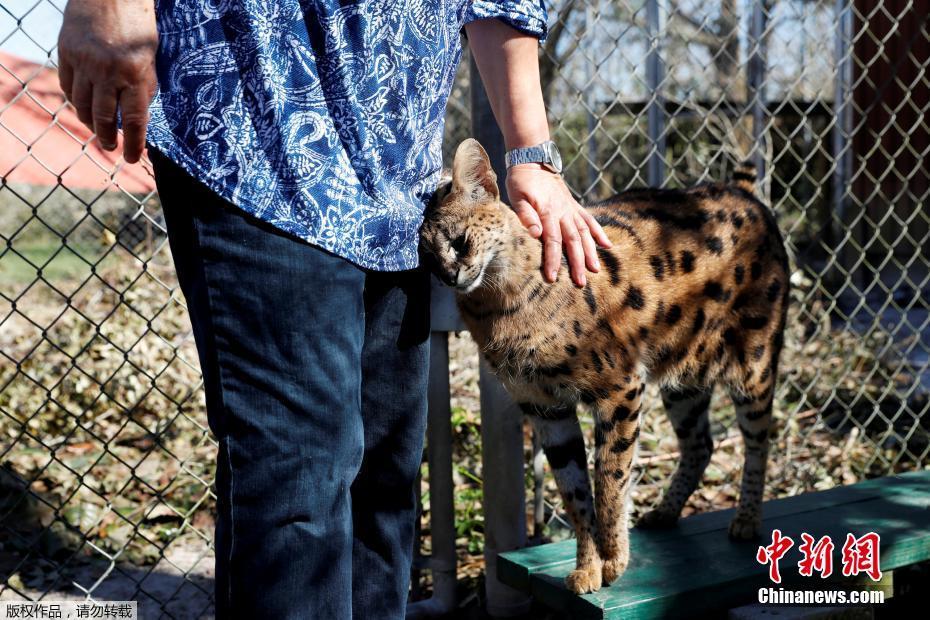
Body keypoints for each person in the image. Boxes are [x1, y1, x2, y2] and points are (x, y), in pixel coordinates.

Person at [57, 1, 611, 617]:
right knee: (300, 478)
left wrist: (531, 151)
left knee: (384, 481)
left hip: (399, 174)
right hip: (254, 131)